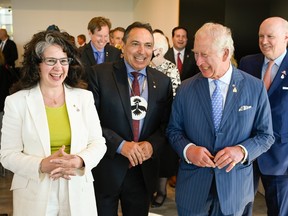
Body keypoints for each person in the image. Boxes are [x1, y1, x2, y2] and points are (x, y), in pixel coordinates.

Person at [166, 22, 275, 216]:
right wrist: (188, 150)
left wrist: (241, 151)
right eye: (196, 53)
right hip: (193, 190)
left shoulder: (254, 88)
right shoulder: (185, 89)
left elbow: (265, 136)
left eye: (205, 55)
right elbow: (173, 131)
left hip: (235, 190)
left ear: (225, 53)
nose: (198, 61)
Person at [0, 30, 107, 216]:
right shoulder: (16, 102)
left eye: (63, 61)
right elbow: (8, 155)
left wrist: (79, 160)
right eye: (51, 61)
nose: (58, 67)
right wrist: (42, 164)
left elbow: (98, 143)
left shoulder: (84, 98)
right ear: (37, 64)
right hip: (34, 191)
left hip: (77, 187)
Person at [87, 21, 173, 216]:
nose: (142, 51)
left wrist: (151, 145)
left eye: (148, 45)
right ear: (122, 46)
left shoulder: (162, 82)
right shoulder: (99, 75)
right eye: (135, 44)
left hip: (142, 171)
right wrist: (120, 145)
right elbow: (90, 121)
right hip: (107, 167)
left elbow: (165, 125)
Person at [239, 16, 288, 216]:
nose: (264, 41)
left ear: (286, 38)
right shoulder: (247, 63)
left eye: (270, 36)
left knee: (279, 211)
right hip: (246, 151)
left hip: (281, 157)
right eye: (261, 36)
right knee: (240, 207)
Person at [149, 31, 181, 208]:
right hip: (145, 119)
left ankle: (161, 192)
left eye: (154, 47)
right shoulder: (145, 66)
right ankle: (147, 190)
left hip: (165, 119)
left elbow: (176, 93)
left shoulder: (170, 67)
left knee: (163, 159)